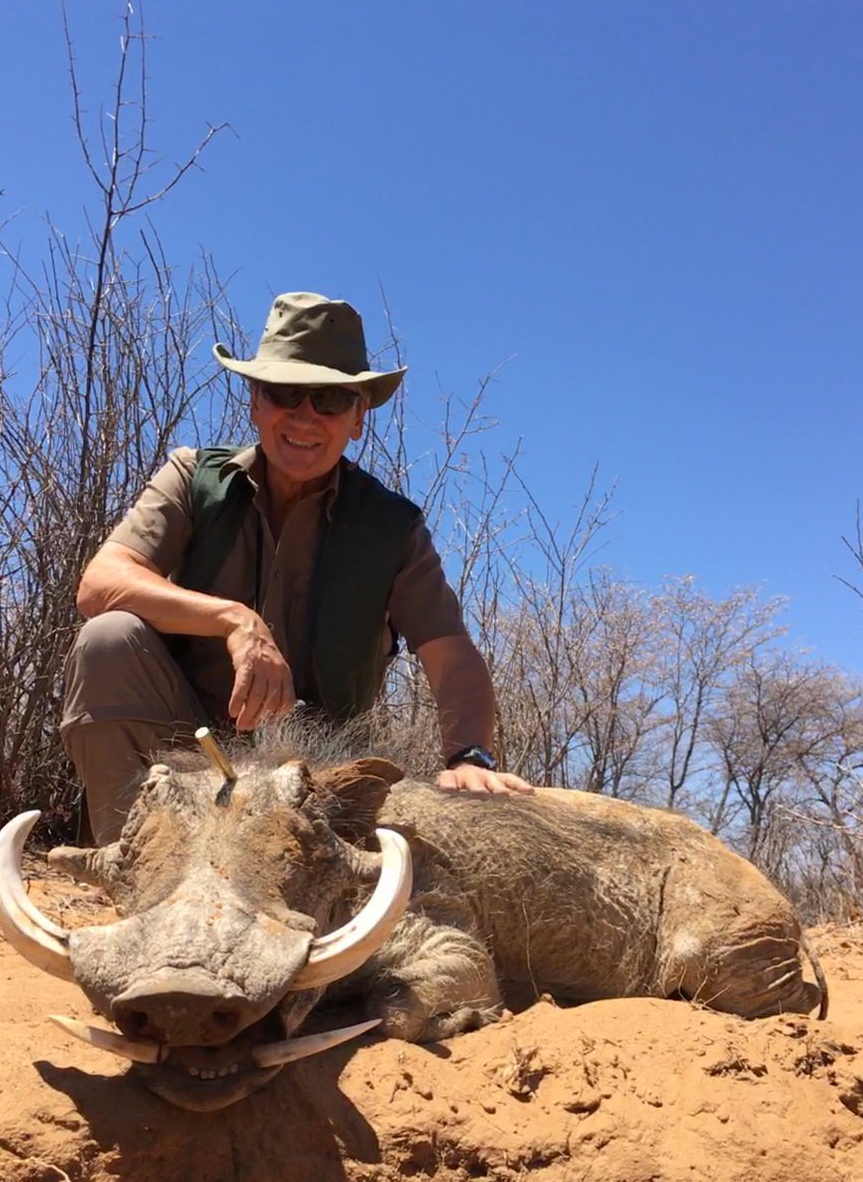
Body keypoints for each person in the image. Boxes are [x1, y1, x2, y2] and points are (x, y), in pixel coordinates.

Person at [61, 291, 531, 843]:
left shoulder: (394, 528)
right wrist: (236, 620)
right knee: (108, 638)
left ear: (359, 417)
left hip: (317, 775)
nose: (305, 416)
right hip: (187, 750)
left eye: (330, 399)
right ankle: (138, 871)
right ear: (255, 402)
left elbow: (451, 657)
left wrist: (470, 756)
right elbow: (101, 584)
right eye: (284, 392)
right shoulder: (192, 477)